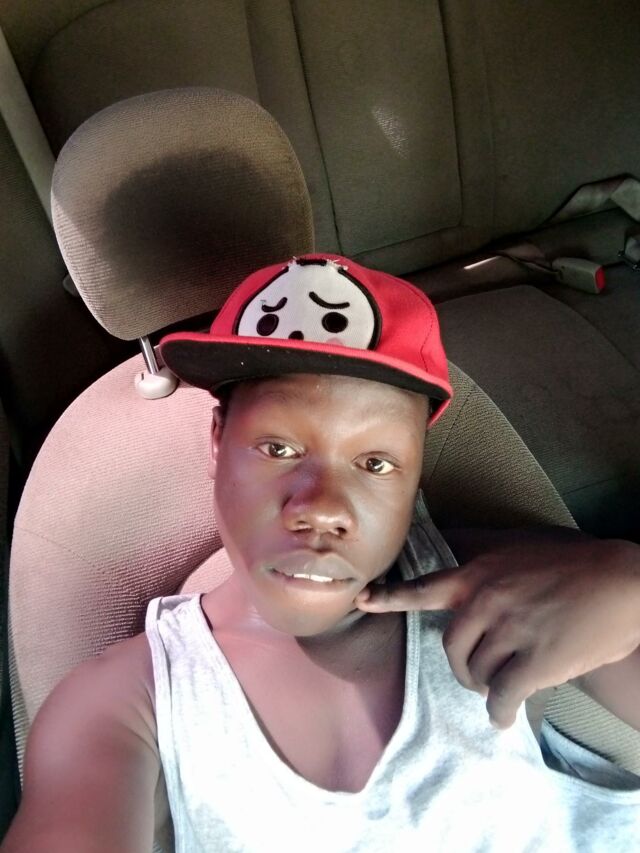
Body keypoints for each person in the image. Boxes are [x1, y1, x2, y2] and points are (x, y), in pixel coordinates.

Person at [2, 254, 639, 852]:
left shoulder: (496, 590)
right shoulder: (130, 704)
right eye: (278, 449)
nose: (324, 507)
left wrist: (630, 581)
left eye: (376, 463)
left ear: (416, 478)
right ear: (217, 441)